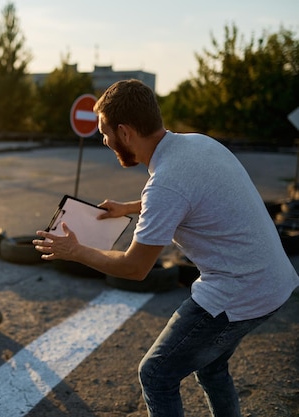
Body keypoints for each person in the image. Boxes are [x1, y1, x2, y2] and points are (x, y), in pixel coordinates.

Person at [34, 79, 299, 416]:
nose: (103, 140)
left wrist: (76, 251)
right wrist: (127, 208)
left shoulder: (166, 183)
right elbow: (184, 199)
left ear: (126, 133)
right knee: (212, 366)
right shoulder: (196, 145)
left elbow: (135, 267)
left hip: (239, 292)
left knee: (156, 374)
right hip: (274, 282)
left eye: (105, 133)